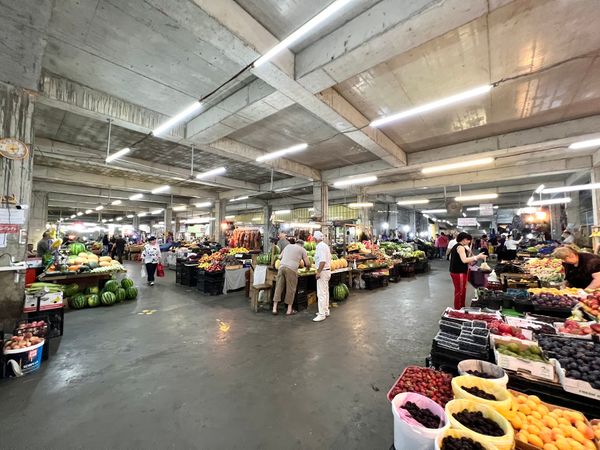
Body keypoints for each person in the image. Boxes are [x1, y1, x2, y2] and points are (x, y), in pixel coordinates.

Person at [272, 236, 310, 316]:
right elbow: (307, 263)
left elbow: (279, 257)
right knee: (291, 289)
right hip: (291, 269)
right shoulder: (302, 250)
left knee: (278, 287)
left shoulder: (288, 246)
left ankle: (274, 308)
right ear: (302, 245)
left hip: (281, 267)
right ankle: (289, 310)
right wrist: (307, 269)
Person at [449, 232, 487, 309]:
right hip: (459, 272)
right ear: (463, 240)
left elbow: (463, 260)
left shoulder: (459, 246)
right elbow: (464, 260)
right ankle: (458, 309)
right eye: (468, 240)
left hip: (457, 271)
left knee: (462, 290)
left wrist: (470, 254)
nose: (469, 241)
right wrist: (477, 257)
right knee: (460, 291)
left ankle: (461, 306)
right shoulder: (460, 247)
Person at [313, 231, 332, 322]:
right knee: (325, 292)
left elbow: (322, 261)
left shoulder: (320, 247)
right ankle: (325, 311)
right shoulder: (325, 246)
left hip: (323, 272)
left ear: (315, 239)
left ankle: (321, 314)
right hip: (327, 271)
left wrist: (318, 272)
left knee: (321, 293)